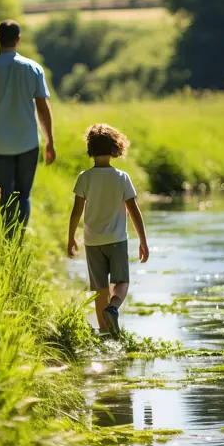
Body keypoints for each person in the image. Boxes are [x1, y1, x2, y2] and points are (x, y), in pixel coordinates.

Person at [0, 20, 55, 233]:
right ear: (18, 39)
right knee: (23, 194)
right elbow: (43, 109)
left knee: (4, 193)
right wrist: (49, 141)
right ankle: (18, 238)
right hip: (27, 142)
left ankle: (8, 237)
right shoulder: (33, 68)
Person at [67, 123, 149, 337]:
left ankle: (105, 335)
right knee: (121, 282)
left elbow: (76, 212)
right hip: (117, 240)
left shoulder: (84, 177)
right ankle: (113, 309)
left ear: (90, 151)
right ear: (115, 149)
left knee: (100, 289)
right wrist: (143, 241)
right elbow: (134, 211)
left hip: (92, 241)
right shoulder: (122, 178)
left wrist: (70, 238)